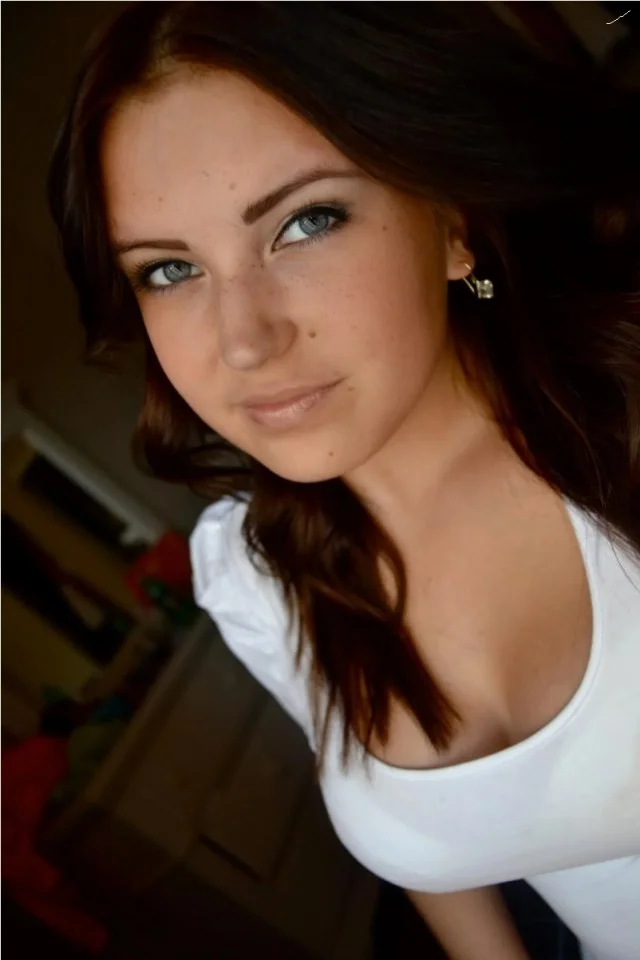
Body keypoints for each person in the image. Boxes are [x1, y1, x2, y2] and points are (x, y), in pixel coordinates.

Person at [48, 4, 639, 959]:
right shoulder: (254, 578)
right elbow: (435, 860)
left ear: (453, 220)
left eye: (305, 221)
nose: (244, 340)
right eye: (168, 270)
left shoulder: (622, 428)